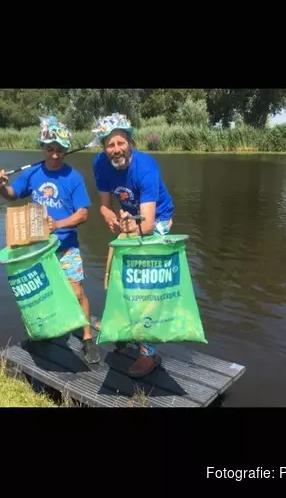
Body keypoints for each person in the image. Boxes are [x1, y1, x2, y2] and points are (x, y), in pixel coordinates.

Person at [0, 116, 100, 364]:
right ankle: (47, 332)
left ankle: (86, 338)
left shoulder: (73, 177)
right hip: (39, 249)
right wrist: (0, 186)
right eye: (50, 149)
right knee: (43, 293)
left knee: (77, 291)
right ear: (43, 147)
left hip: (66, 247)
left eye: (59, 150)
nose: (54, 155)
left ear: (65, 150)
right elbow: (11, 195)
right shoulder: (33, 174)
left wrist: (58, 224)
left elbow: (83, 213)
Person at [91, 112, 175, 378]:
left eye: (121, 143)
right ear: (104, 147)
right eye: (110, 145)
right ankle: (124, 323)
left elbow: (148, 225)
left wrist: (128, 226)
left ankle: (149, 354)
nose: (116, 150)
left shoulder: (146, 168)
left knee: (142, 284)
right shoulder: (99, 164)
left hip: (158, 220)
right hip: (131, 218)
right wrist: (107, 214)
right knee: (118, 274)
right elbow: (105, 206)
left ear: (130, 142)